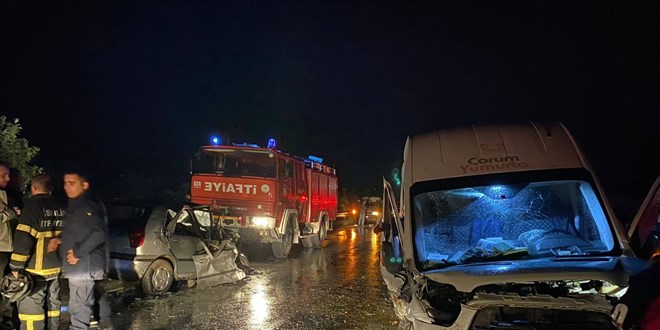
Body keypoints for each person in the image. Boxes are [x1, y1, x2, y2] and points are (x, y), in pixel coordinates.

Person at [47, 170, 112, 330]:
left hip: (84, 266)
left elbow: (99, 233)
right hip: (78, 268)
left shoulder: (87, 205)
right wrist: (60, 239)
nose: (67, 187)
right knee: (79, 306)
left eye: (72, 183)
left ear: (85, 185)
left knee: (79, 308)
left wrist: (77, 253)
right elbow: (77, 231)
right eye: (65, 183)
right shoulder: (75, 205)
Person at [10, 174, 65, 330]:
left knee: (31, 310)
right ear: (51, 189)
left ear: (33, 188)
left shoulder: (33, 208)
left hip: (35, 270)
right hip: (56, 267)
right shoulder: (61, 207)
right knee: (53, 304)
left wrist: (16, 266)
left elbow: (23, 239)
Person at [0, 161, 20, 329]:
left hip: (7, 248)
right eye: (3, 175)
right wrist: (12, 213)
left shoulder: (7, 193)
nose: (7, 178)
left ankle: (7, 322)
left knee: (8, 288)